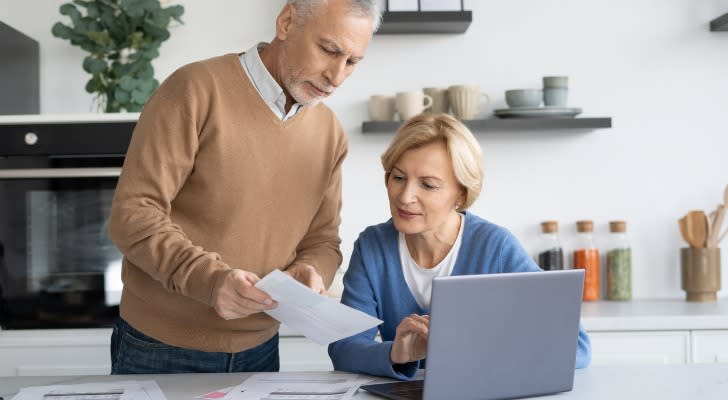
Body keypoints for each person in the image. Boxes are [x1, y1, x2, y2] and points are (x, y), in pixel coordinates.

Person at [107, 0, 381, 374]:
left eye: (352, 62)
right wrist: (210, 281)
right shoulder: (194, 90)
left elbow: (322, 241)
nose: (336, 76)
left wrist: (310, 271)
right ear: (286, 22)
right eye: (329, 50)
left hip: (261, 349)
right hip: (160, 346)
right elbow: (133, 215)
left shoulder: (329, 132)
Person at [328, 113, 592, 380]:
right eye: (398, 177)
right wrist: (397, 354)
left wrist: (486, 350)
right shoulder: (372, 247)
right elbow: (343, 348)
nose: (405, 197)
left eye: (428, 185)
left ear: (461, 195)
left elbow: (576, 347)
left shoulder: (495, 248)